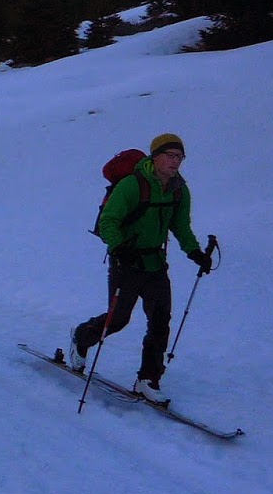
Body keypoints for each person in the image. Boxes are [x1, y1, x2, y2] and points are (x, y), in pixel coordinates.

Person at [67, 133, 212, 404]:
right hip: (126, 262)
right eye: (170, 155)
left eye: (179, 157)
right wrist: (119, 246)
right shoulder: (133, 186)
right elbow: (110, 220)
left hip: (155, 263)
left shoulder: (179, 189)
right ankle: (82, 337)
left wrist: (194, 251)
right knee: (119, 318)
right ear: (155, 156)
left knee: (160, 320)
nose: (175, 161)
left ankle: (148, 379)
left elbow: (180, 226)